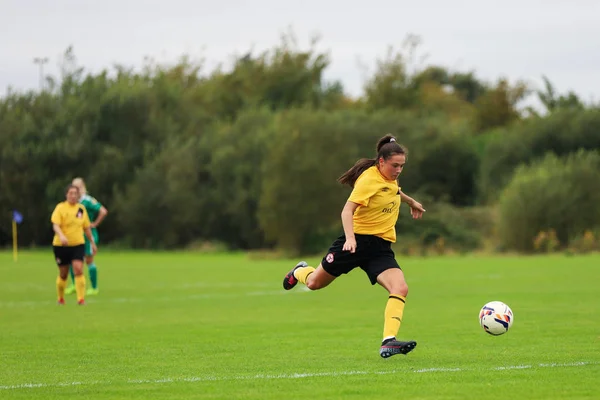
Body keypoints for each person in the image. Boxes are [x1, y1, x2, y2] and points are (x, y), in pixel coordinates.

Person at [282, 134, 426, 358]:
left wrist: (410, 201)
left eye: (402, 166)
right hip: (355, 243)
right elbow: (347, 210)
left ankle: (389, 341)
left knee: (400, 288)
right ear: (381, 162)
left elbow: (393, 190)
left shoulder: (389, 177)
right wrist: (350, 239)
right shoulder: (369, 180)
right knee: (313, 283)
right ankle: (299, 270)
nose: (398, 170)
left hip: (379, 248)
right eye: (395, 166)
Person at [51, 184, 98, 305]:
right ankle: (60, 298)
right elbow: (55, 225)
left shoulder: (81, 209)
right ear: (66, 195)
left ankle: (81, 299)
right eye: (70, 193)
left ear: (78, 195)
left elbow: (86, 227)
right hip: (61, 245)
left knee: (78, 269)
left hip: (78, 244)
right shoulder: (60, 208)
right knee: (63, 274)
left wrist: (92, 242)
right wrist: (61, 235)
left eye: (75, 193)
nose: (73, 196)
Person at [65, 177, 108, 296]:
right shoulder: (74, 202)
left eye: (77, 187)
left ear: (82, 187)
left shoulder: (87, 200)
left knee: (89, 260)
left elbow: (103, 211)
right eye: (73, 187)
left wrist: (94, 224)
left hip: (88, 236)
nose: (75, 190)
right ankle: (74, 285)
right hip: (75, 235)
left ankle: (94, 288)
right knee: (72, 260)